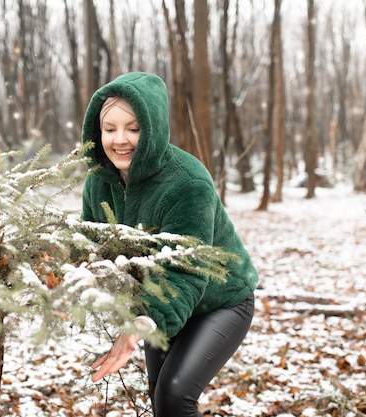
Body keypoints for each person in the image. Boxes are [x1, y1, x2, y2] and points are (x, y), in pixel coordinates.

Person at [80, 71, 259, 417]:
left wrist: (139, 324)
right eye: (110, 128)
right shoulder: (98, 183)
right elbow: (94, 249)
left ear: (154, 128)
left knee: (174, 395)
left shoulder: (188, 183)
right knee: (160, 399)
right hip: (157, 300)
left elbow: (186, 273)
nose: (120, 140)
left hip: (220, 301)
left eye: (133, 128)